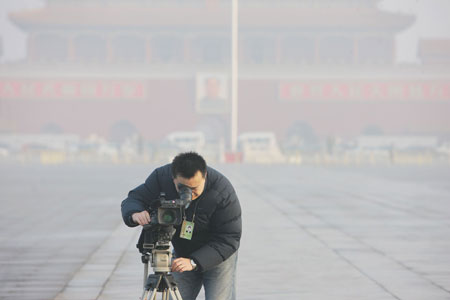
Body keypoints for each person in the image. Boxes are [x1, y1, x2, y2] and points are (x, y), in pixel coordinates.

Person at [121, 152, 242, 300]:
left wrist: (194, 262)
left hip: (217, 256)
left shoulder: (222, 190)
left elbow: (230, 238)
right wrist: (135, 213)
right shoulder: (161, 177)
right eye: (183, 188)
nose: (189, 194)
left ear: (205, 176)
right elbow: (135, 198)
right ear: (173, 179)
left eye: (195, 188)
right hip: (182, 254)